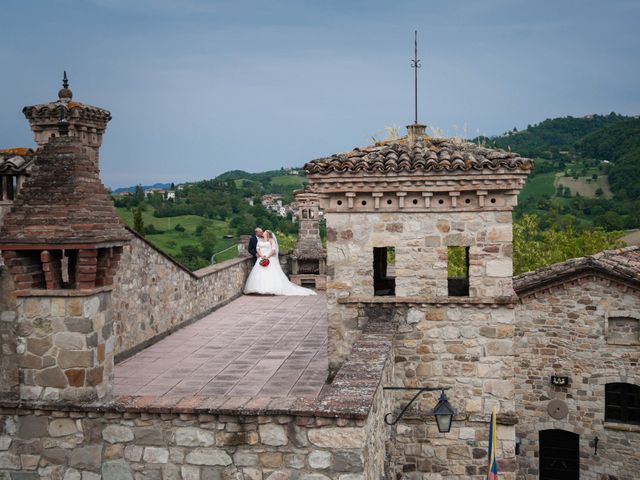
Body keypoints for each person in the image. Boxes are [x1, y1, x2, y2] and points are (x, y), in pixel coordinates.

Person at [244, 230, 316, 296]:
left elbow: (273, 250)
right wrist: (261, 255)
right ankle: (257, 289)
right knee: (259, 273)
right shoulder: (260, 240)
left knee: (270, 274)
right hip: (261, 258)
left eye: (264, 232)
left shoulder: (271, 240)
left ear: (268, 234)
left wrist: (267, 257)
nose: (263, 232)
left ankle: (270, 289)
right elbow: (257, 249)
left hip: (269, 258)